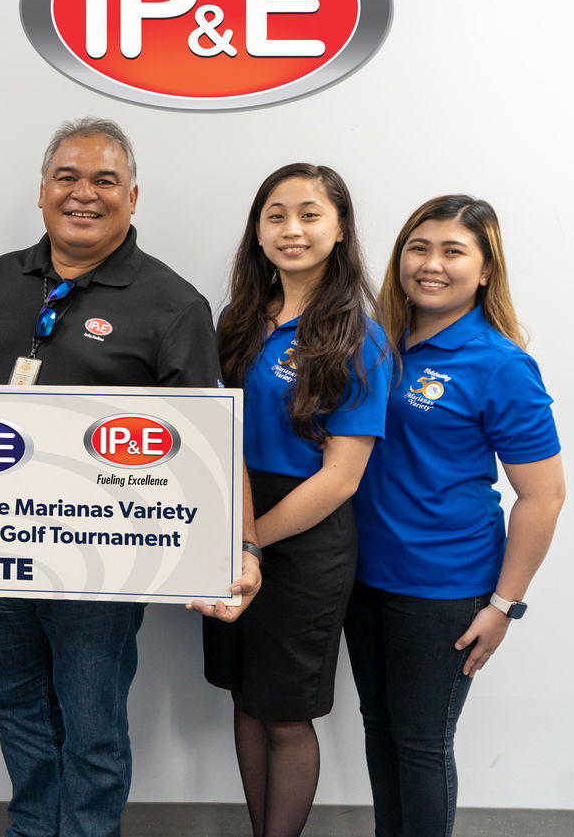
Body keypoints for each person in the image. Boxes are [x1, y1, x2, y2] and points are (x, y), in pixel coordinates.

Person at [0, 117, 259, 837]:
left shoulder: (172, 303)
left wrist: (240, 546)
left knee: (93, 726)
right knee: (13, 708)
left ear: (133, 197)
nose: (83, 193)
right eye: (67, 177)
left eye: (105, 180)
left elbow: (210, 443)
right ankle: (33, 829)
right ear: (42, 190)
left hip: (101, 559)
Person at [345, 196, 565, 837]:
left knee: (420, 745)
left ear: (486, 269)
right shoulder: (375, 343)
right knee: (380, 730)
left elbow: (544, 496)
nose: (431, 264)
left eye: (453, 251)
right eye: (418, 248)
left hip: (444, 587)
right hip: (363, 576)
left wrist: (503, 606)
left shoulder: (500, 364)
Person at [201, 162, 391, 837]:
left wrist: (250, 541)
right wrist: (233, 535)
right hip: (235, 517)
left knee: (284, 711)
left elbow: (341, 478)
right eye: (276, 215)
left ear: (340, 230)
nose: (292, 229)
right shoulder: (237, 320)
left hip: (305, 536)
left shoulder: (358, 336)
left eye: (310, 214)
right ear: (257, 231)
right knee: (245, 696)